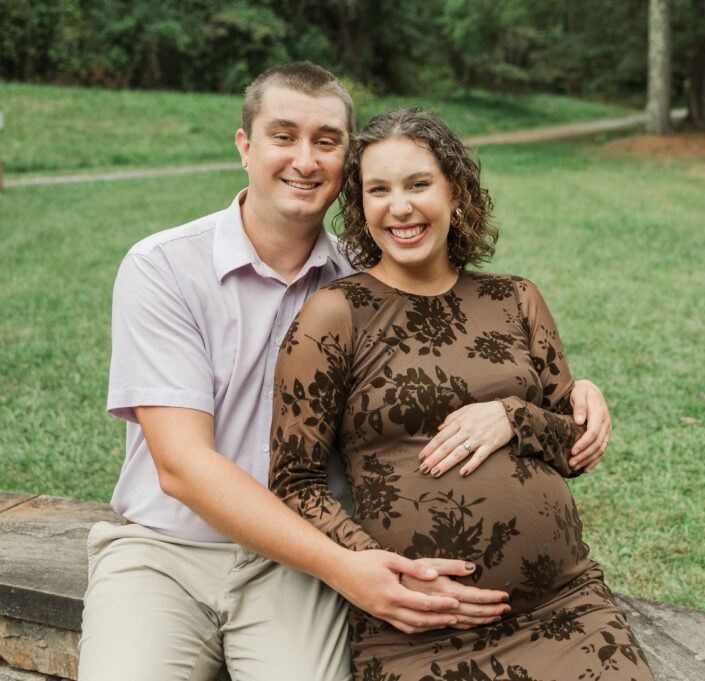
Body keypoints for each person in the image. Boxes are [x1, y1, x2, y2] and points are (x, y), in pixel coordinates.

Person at [80, 62, 612, 681]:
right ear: (244, 147)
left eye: (326, 141)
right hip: (168, 552)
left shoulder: (380, 274)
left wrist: (570, 396)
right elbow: (182, 467)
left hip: (293, 570)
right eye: (283, 136)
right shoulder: (165, 267)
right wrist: (349, 567)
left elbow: (471, 357)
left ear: (344, 167)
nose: (305, 160)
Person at [269, 108, 652, 681]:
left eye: (418, 184)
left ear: (457, 195)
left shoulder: (516, 299)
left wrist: (513, 416)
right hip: (415, 627)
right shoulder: (335, 314)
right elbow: (294, 482)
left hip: (565, 611)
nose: (399, 206)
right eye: (379, 190)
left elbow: (574, 446)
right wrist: (381, 568)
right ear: (361, 208)